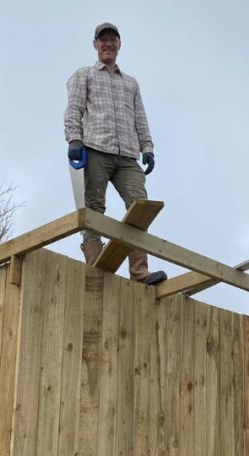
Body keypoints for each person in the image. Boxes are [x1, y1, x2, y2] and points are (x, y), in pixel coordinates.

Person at [64, 22, 167, 285]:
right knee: (93, 210)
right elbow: (73, 110)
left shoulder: (131, 83)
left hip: (127, 155)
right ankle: (96, 269)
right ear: (95, 45)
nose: (108, 44)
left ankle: (140, 274)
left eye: (113, 40)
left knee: (139, 206)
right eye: (103, 40)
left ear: (119, 45)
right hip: (95, 148)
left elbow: (140, 119)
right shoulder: (84, 75)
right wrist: (74, 139)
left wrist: (148, 147)